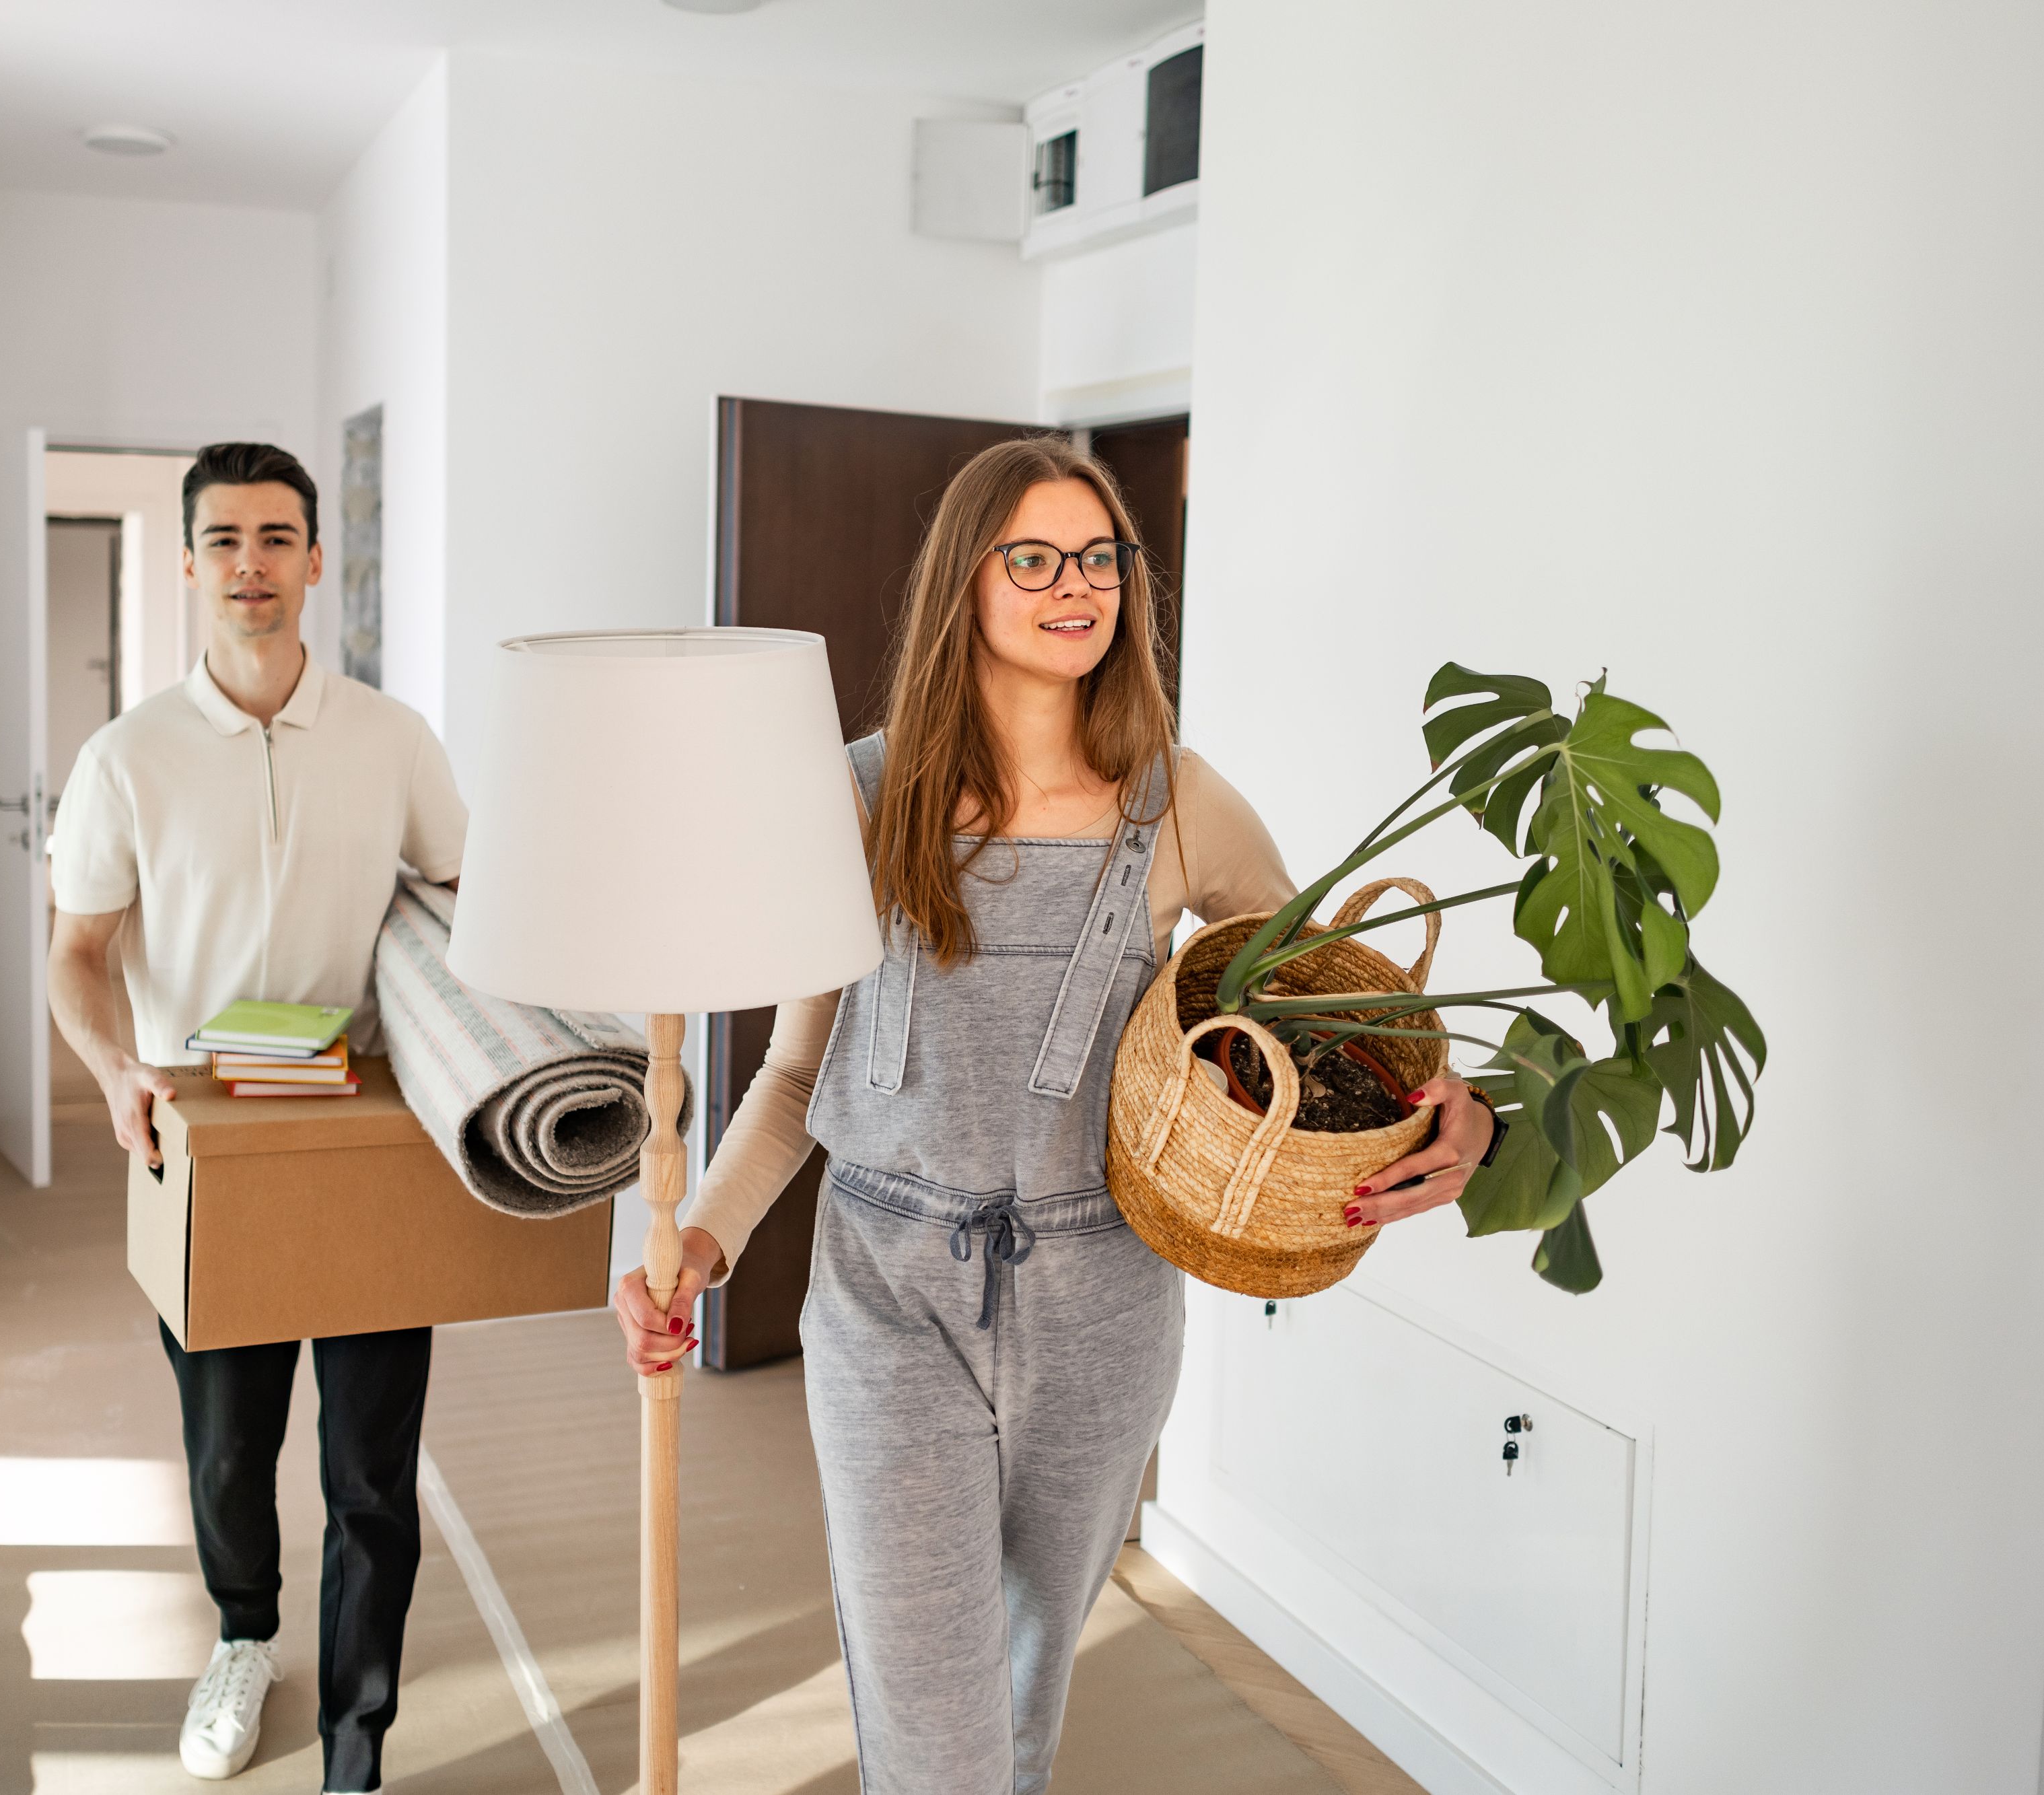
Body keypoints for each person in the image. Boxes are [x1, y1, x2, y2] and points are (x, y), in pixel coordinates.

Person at [612, 436, 1497, 1793]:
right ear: (964, 582)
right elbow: (793, 1080)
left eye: (1099, 556)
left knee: (1021, 1696)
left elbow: (1328, 1017)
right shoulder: (851, 797)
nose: (1072, 583)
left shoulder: (1181, 803)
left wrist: (1467, 1110)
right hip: (886, 1294)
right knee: (937, 1723)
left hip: (1104, 1301)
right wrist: (704, 1241)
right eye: (1031, 555)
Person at [48, 442, 467, 1794]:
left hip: (358, 1135)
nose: (251, 563)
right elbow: (75, 951)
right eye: (223, 538)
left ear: (313, 559)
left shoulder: (393, 737)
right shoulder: (126, 757)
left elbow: (465, 895)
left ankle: (357, 1739)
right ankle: (242, 1634)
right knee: (228, 1449)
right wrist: (115, 1070)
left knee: (371, 1474)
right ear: (189, 562)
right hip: (201, 1142)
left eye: (276, 537)